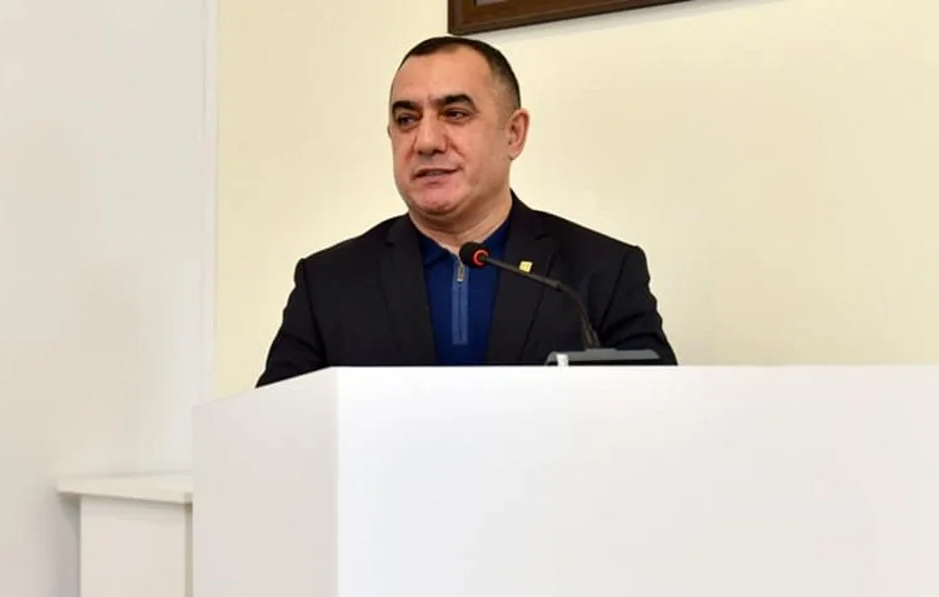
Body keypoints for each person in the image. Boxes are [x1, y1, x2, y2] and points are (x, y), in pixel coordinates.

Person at [256, 35, 675, 387]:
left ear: (514, 134)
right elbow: (272, 434)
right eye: (406, 119)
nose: (426, 141)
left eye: (455, 114)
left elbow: (657, 424)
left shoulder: (600, 272)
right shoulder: (328, 284)